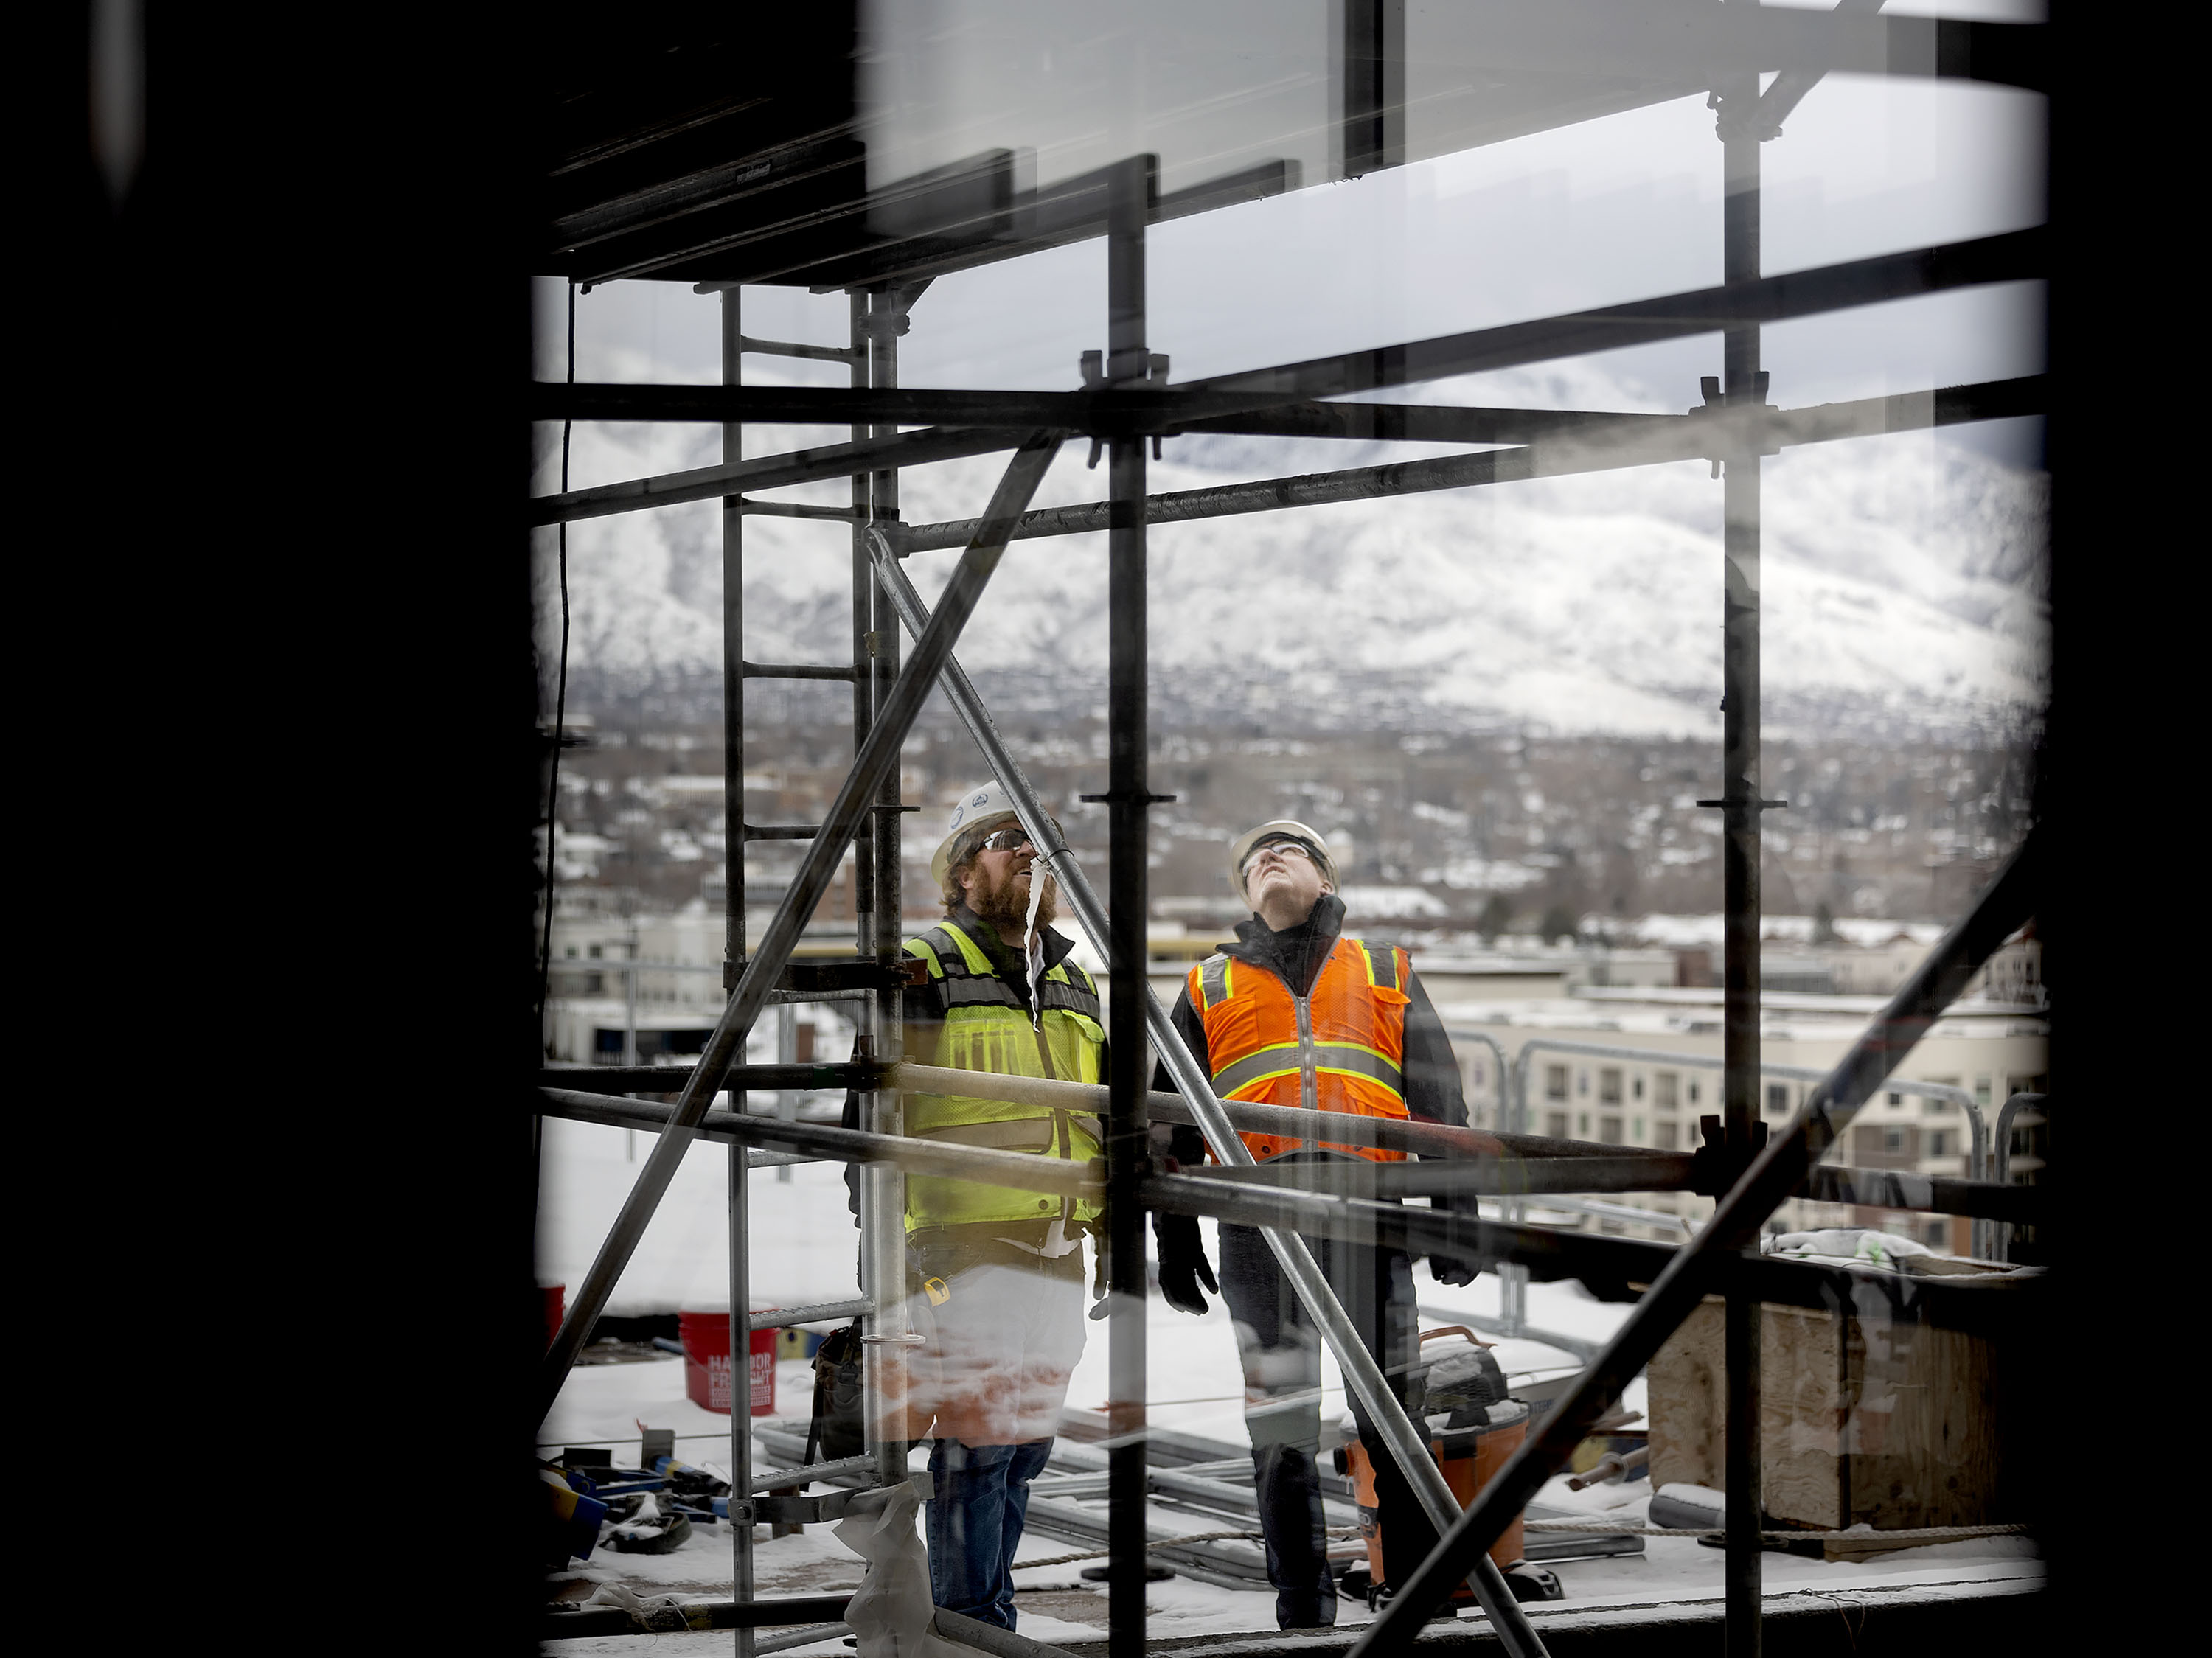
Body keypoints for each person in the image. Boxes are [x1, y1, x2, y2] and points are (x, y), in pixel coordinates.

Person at [1151, 819, 1482, 1629]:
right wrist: (1175, 1232)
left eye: (1289, 848)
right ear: (1246, 894)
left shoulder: (1383, 968)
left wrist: (1456, 1209)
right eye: (1254, 858)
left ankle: (1414, 1590)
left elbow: (1438, 1096)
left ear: (1326, 880)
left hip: (1368, 1213)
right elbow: (1169, 1120)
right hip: (1257, 1224)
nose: (1268, 856)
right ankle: (1302, 1603)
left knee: (1393, 1417)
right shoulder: (1208, 984)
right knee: (1281, 1426)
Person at [844, 781, 1105, 1632]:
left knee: (1025, 1448)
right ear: (961, 872)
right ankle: (976, 1630)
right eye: (1006, 838)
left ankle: (983, 1621)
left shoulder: (1073, 981)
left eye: (1040, 840)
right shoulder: (921, 969)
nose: (1029, 851)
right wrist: (888, 1271)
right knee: (980, 1449)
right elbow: (866, 1134)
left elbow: (1101, 1122)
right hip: (964, 1247)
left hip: (1059, 1250)